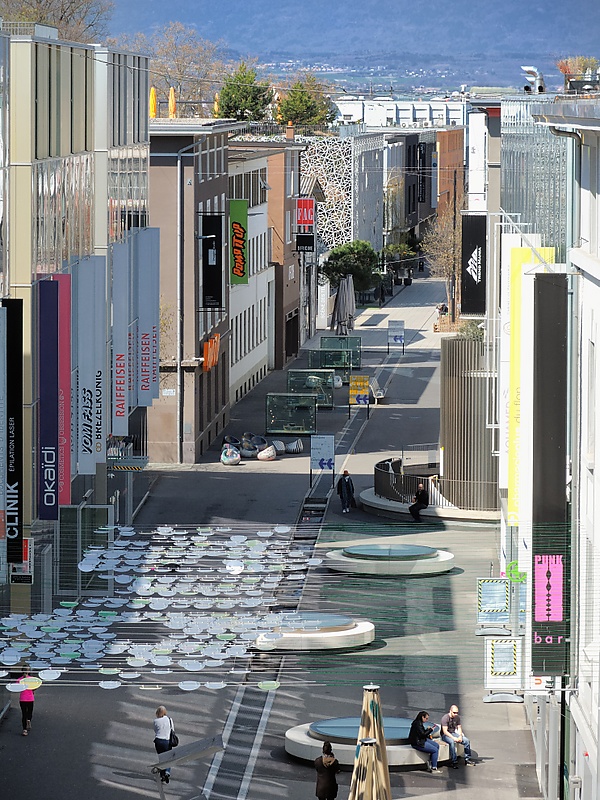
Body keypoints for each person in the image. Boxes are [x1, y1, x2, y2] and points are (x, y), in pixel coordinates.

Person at [153, 706, 175, 783]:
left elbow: (155, 730)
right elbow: (172, 730)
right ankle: (167, 772)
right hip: (167, 741)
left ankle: (162, 774)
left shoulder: (155, 721)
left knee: (161, 758)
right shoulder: (169, 719)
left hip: (158, 741)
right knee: (168, 758)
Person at [18, 668, 35, 736]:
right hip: (30, 698)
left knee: (24, 714)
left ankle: (24, 730)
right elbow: (34, 687)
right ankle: (29, 720)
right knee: (30, 712)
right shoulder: (31, 679)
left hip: (22, 699)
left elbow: (17, 688)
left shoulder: (19, 680)